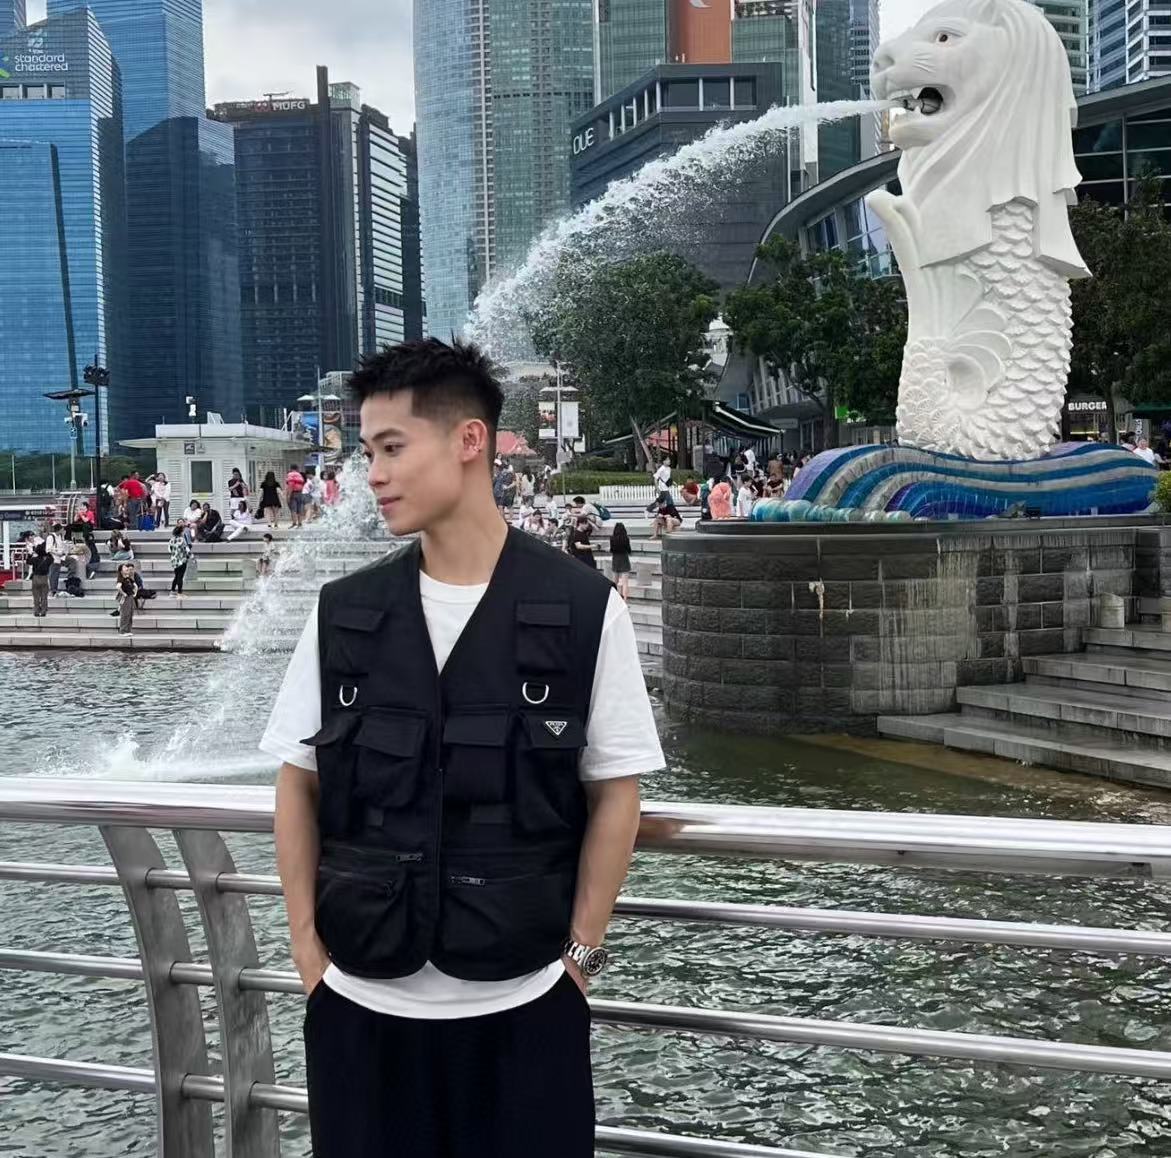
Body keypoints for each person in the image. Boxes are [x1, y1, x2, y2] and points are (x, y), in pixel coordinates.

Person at [260, 337, 663, 1158]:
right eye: (367, 452)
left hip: (526, 1014)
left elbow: (616, 792)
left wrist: (578, 962)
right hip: (360, 1014)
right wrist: (306, 951)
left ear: (469, 441)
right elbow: (297, 782)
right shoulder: (344, 611)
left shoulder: (585, 609)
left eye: (392, 448)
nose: (373, 474)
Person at [28, 543, 52, 618]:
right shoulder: (47, 560)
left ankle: (36, 611)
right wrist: (47, 553)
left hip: (35, 578)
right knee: (44, 596)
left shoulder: (34, 559)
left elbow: (28, 561)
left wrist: (30, 554)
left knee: (36, 596)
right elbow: (52, 559)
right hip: (44, 578)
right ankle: (43, 611)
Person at [609, 522, 632, 600]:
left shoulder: (612, 538)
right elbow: (629, 550)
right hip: (624, 559)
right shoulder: (626, 538)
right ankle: (624, 600)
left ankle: (615, 599)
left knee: (615, 582)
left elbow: (612, 550)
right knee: (625, 583)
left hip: (615, 560)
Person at [43, 523, 68, 595]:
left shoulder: (60, 537)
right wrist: (57, 552)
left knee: (56, 575)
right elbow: (48, 549)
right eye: (62, 529)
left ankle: (55, 589)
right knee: (53, 574)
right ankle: (52, 590)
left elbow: (62, 546)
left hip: (59, 558)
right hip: (53, 558)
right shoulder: (51, 537)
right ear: (59, 530)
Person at [114, 562, 136, 634]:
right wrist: (123, 593)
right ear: (121, 571)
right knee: (125, 614)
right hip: (125, 598)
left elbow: (135, 586)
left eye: (126, 567)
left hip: (130, 597)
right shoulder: (121, 579)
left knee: (130, 614)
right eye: (124, 567)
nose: (126, 568)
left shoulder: (128, 578)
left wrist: (135, 593)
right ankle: (123, 631)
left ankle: (128, 630)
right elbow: (118, 587)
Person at [169, 525, 191, 595]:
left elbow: (169, 549)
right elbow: (186, 550)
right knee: (180, 577)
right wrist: (189, 556)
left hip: (174, 560)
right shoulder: (182, 540)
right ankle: (179, 592)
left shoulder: (171, 540)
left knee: (176, 576)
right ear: (181, 532)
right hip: (182, 560)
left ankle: (172, 591)